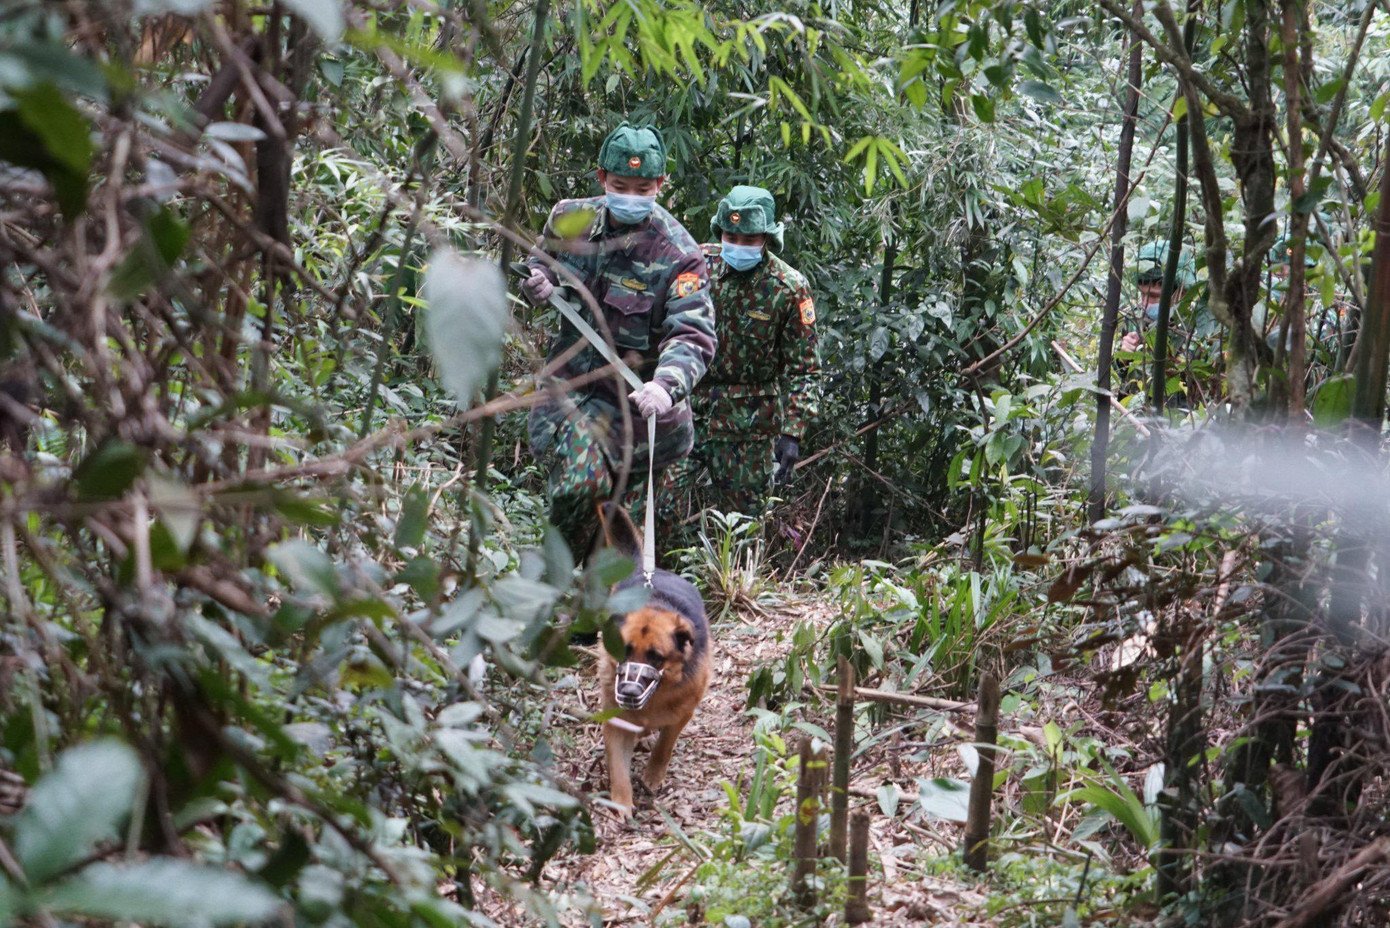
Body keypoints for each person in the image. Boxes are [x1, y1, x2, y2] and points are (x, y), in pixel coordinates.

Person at [520, 122, 717, 556]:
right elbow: (542, 263)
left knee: (618, 549)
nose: (631, 196)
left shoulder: (680, 254)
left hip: (642, 417)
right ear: (601, 179)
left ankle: (586, 617)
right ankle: (545, 590)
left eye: (643, 188)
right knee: (579, 488)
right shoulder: (570, 218)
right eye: (621, 185)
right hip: (571, 392)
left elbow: (692, 332)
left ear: (661, 185)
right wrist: (538, 282)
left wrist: (666, 387)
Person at [663, 185, 819, 524]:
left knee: (744, 525)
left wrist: (792, 432)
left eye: (749, 239)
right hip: (686, 409)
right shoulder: (696, 263)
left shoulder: (788, 287)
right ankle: (664, 576)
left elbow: (804, 368)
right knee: (660, 506)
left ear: (767, 238)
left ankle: (731, 579)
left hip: (748, 426)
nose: (739, 246)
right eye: (731, 236)